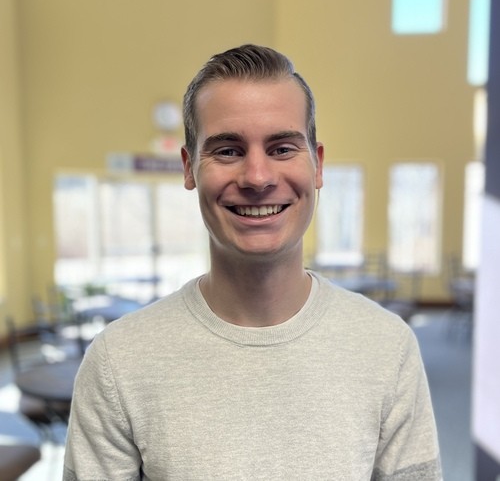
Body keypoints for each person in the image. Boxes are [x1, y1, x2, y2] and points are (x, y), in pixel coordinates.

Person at [63, 44, 442, 480]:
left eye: (282, 149)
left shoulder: (388, 347)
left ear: (317, 165)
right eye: (228, 151)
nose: (258, 178)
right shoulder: (117, 362)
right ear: (189, 168)